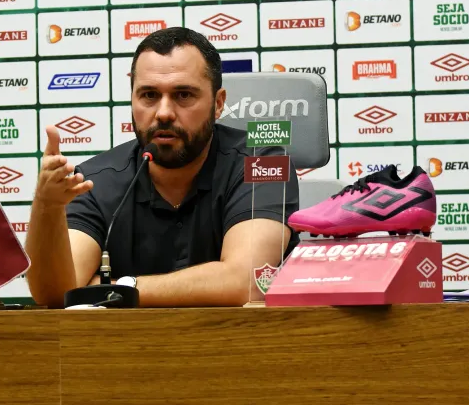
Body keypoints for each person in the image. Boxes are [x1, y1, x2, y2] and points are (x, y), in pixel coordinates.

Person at [25, 27, 299, 309]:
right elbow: (59, 293)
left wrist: (119, 288)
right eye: (149, 95)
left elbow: (248, 281)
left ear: (218, 104)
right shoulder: (94, 181)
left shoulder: (264, 162)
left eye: (183, 95)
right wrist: (47, 205)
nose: (164, 112)